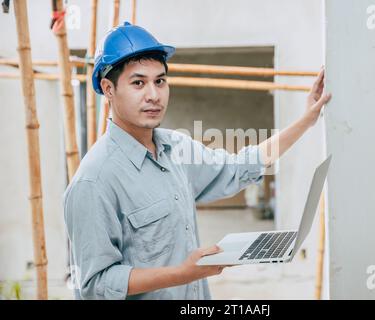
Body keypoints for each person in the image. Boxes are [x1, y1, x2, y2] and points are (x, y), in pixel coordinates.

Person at [63, 22, 332, 300]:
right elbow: (95, 285)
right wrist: (184, 272)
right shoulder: (93, 181)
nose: (154, 95)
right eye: (138, 83)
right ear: (108, 89)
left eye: (160, 81)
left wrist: (306, 121)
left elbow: (237, 168)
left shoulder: (175, 147)